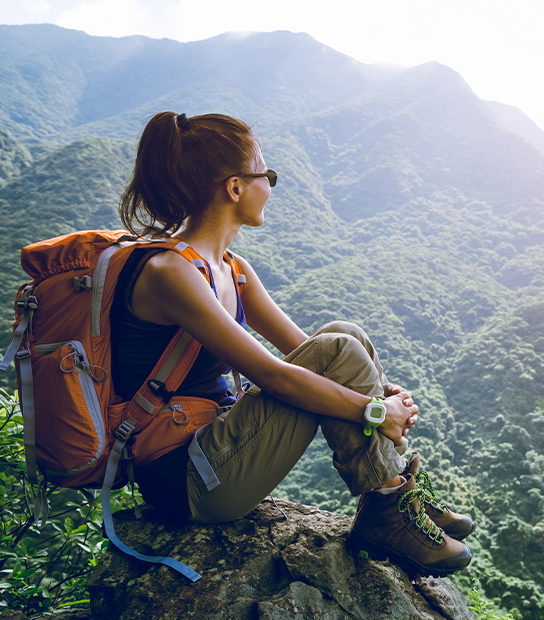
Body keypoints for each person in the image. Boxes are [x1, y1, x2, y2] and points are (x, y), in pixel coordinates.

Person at [112, 111, 472, 576]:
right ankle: (388, 509)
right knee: (339, 350)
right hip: (186, 479)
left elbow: (311, 353)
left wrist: (379, 396)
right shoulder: (171, 274)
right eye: (269, 176)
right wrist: (377, 413)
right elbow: (275, 374)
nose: (271, 187)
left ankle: (395, 493)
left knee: (345, 336)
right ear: (235, 187)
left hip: (217, 448)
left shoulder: (231, 268)